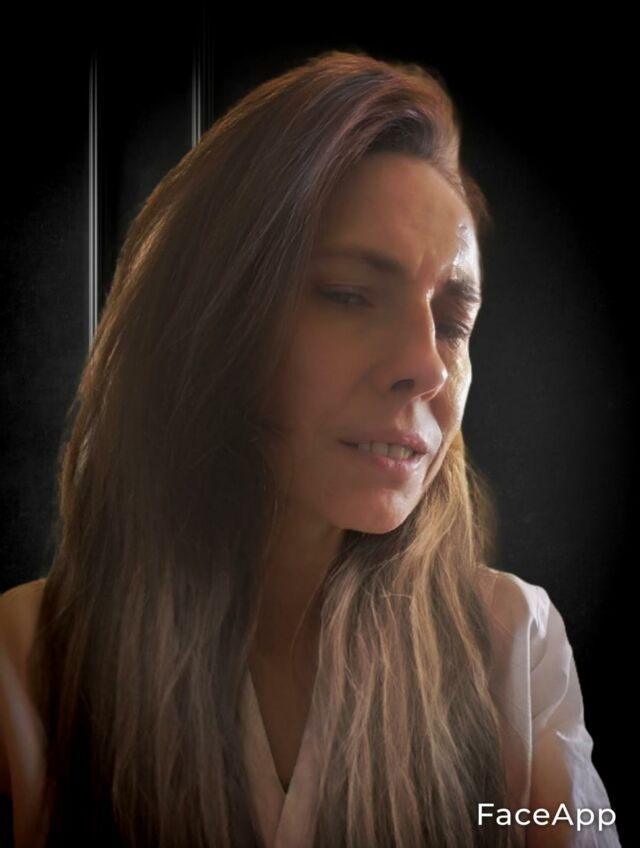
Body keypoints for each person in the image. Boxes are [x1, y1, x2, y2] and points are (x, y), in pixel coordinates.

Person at [0, 48, 620, 848]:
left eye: (452, 321)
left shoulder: (514, 646)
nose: (428, 366)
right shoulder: (26, 665)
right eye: (350, 295)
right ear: (214, 319)